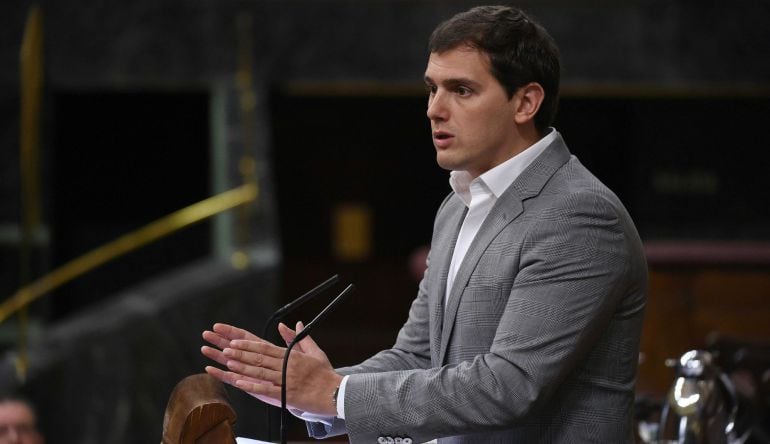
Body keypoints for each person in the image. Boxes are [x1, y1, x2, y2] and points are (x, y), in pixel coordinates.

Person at [202, 5, 648, 443]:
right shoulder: (457, 205)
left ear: (526, 102)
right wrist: (308, 390)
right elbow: (418, 355)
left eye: (462, 90)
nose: (434, 109)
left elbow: (509, 387)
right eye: (432, 89)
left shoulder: (579, 216)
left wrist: (334, 393)